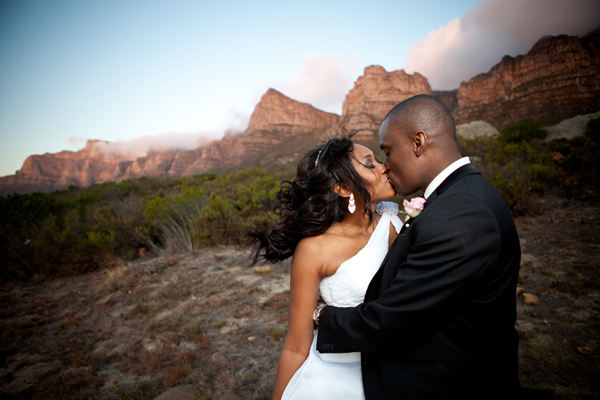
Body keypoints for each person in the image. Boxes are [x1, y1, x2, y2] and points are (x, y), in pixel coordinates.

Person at [314, 94, 521, 399]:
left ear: (418, 142)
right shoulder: (460, 196)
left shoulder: (461, 211)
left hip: (450, 384)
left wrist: (320, 315)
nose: (386, 165)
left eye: (388, 151)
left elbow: (390, 322)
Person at [248, 133, 402, 400]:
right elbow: (296, 346)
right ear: (343, 188)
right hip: (334, 379)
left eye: (378, 160)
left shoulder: (395, 222)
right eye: (369, 164)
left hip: (393, 371)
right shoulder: (314, 250)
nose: (383, 166)